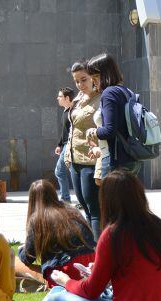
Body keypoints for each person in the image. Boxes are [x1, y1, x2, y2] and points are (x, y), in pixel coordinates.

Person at [46, 170, 161, 301]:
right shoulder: (158, 225)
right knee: (65, 294)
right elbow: (138, 272)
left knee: (55, 300)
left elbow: (91, 290)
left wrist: (65, 281)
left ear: (107, 200)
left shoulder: (113, 234)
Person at [14, 179, 96, 289]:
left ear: (32, 200)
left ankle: (45, 281)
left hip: (66, 271)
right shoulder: (71, 210)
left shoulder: (38, 219)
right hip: (90, 265)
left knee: (13, 262)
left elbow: (27, 258)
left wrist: (21, 249)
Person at [85, 53, 140, 175]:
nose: (94, 83)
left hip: (115, 160)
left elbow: (110, 131)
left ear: (105, 75)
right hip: (131, 157)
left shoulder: (109, 93)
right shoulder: (127, 91)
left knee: (111, 194)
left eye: (95, 78)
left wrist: (93, 132)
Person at [64, 62, 102, 238]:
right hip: (75, 159)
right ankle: (92, 249)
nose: (80, 84)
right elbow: (72, 128)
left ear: (93, 77)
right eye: (77, 81)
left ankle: (99, 254)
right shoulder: (78, 99)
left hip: (91, 159)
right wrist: (67, 152)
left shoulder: (101, 98)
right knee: (84, 206)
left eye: (83, 79)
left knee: (94, 208)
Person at [54, 87, 75, 203]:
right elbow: (65, 131)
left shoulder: (73, 111)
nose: (57, 98)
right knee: (68, 171)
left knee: (60, 171)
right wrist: (59, 144)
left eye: (60, 96)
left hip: (70, 145)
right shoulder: (65, 111)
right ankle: (66, 198)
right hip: (66, 145)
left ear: (67, 98)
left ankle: (66, 198)